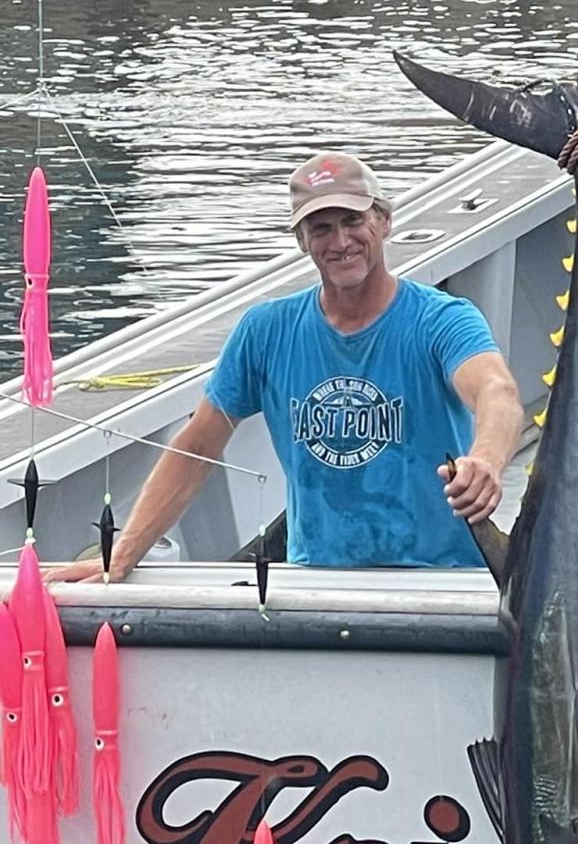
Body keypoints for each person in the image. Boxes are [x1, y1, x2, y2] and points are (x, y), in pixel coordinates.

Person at [50, 151, 524, 580]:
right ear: (301, 241)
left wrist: (485, 459)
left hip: (444, 575)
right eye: (321, 228)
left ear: (383, 221)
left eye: (352, 220)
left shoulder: (441, 318)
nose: (340, 242)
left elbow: (495, 391)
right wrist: (124, 552)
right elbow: (197, 444)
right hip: (314, 575)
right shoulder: (265, 330)